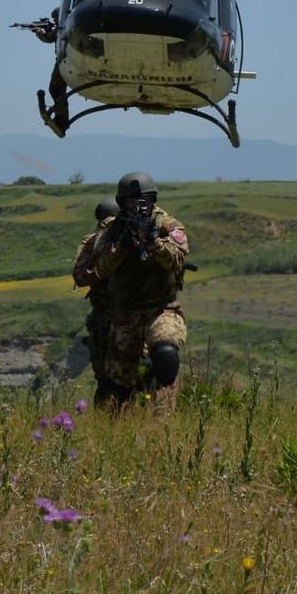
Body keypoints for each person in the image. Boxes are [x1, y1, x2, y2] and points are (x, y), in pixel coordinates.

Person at [72, 171, 189, 413]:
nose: (137, 206)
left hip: (161, 309)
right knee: (117, 387)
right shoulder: (111, 231)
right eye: (131, 202)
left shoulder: (167, 226)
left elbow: (176, 260)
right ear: (121, 202)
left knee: (165, 356)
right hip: (124, 314)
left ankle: (163, 424)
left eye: (143, 200)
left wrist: (155, 243)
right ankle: (116, 434)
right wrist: (120, 247)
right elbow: (90, 273)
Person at [79, 197, 119, 384]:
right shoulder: (94, 243)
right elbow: (80, 276)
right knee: (105, 377)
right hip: (104, 315)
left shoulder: (136, 240)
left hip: (131, 313)